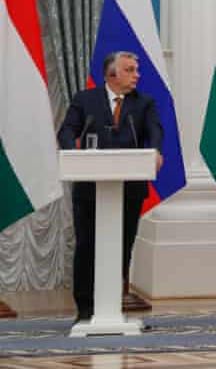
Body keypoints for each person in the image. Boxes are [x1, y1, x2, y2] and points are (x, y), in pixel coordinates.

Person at [58, 51, 163, 322]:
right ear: (111, 74)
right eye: (130, 70)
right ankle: (85, 308)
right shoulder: (85, 99)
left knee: (122, 246)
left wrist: (156, 151)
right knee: (86, 246)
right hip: (89, 188)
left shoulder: (144, 103)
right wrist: (72, 152)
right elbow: (67, 130)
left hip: (129, 188)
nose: (137, 75)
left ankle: (111, 305)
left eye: (136, 70)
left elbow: (154, 132)